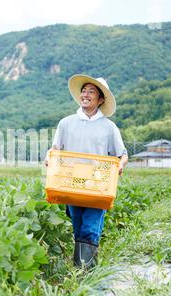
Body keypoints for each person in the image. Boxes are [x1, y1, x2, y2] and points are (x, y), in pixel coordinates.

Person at [46, 74, 128, 270]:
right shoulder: (66, 123)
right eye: (83, 91)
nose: (85, 94)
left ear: (100, 100)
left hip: (97, 185)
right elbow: (55, 149)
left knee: (90, 228)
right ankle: (81, 270)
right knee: (78, 226)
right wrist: (49, 156)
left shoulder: (109, 127)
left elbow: (122, 154)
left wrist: (121, 165)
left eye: (91, 92)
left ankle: (85, 273)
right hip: (70, 183)